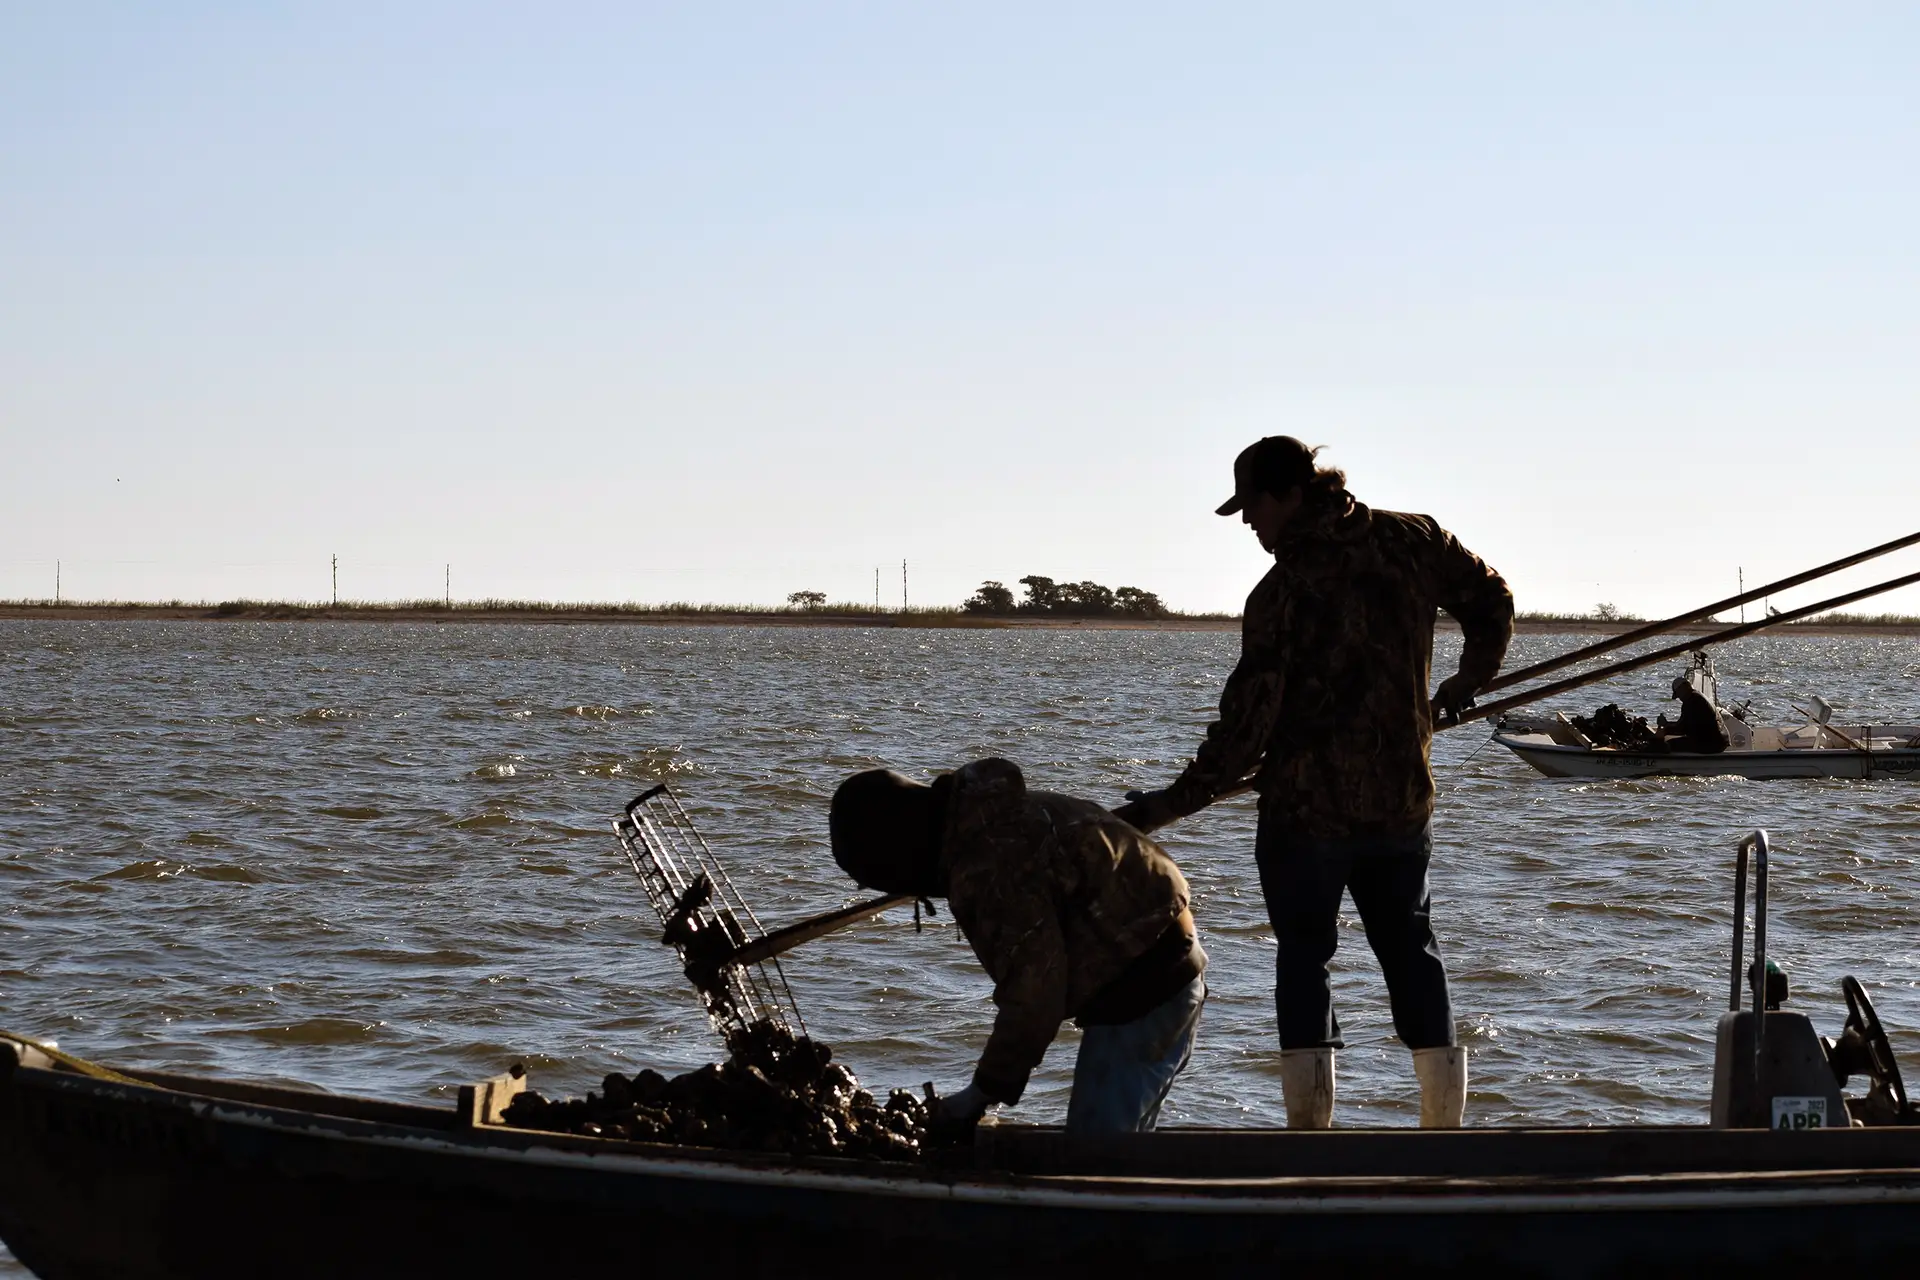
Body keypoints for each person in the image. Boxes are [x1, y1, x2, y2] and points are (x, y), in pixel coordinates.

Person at [1116, 436, 1512, 1130]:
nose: (1251, 527)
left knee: (1304, 961)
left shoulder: (1281, 595)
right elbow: (1492, 600)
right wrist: (1468, 679)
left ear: (1290, 495)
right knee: (1412, 953)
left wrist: (1159, 808)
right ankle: (1444, 1133)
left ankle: (1310, 1135)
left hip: (1306, 818)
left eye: (1254, 510)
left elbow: (1242, 735)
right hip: (1400, 805)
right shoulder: (1413, 540)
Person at [829, 758, 1206, 1136]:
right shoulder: (999, 812)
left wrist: (981, 1092)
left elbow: (1035, 991)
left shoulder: (991, 865)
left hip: (1144, 995)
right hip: (1175, 970)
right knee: (1128, 1151)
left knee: (1097, 1158)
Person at [1657, 676, 1730, 754]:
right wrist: (1667, 725)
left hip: (1711, 744)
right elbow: (1684, 725)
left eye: (1678, 694)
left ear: (1683, 688)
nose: (1679, 698)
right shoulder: (1697, 696)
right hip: (1719, 741)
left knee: (1670, 744)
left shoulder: (1691, 701)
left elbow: (1682, 729)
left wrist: (1665, 727)